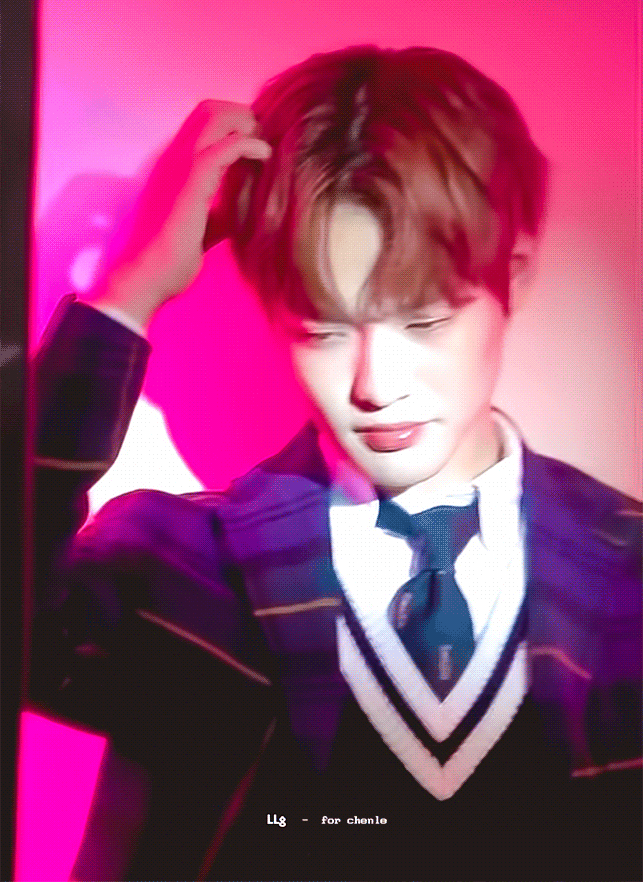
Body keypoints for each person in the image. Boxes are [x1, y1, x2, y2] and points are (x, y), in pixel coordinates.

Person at [29, 45, 641, 881]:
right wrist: (128, 292)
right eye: (323, 330)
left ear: (515, 277)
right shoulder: (175, 561)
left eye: (423, 323)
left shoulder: (628, 569)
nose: (374, 387)